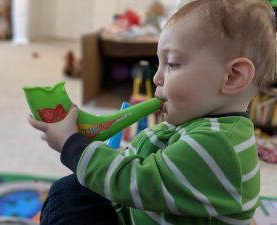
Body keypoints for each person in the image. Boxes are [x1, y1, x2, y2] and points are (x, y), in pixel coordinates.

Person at [28, 0, 276, 224]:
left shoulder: (216, 144)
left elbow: (138, 182)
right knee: (74, 189)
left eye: (173, 64)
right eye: (160, 63)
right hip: (144, 211)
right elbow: (157, 163)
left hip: (140, 201)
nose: (157, 77)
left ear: (232, 76)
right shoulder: (202, 123)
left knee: (68, 198)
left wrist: (73, 146)